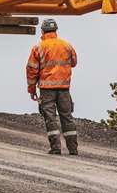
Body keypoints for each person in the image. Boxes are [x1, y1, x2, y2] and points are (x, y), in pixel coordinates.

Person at [25, 18, 79, 155]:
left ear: (42, 31)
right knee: (67, 116)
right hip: (64, 87)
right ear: (56, 30)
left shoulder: (38, 48)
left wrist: (31, 89)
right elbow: (74, 62)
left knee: (50, 117)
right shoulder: (67, 45)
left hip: (47, 89)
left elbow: (32, 69)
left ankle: (56, 148)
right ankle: (73, 149)